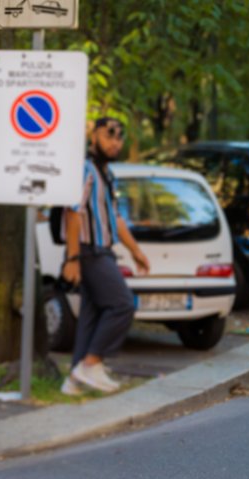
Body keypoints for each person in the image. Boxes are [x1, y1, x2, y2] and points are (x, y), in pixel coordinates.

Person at [60, 117, 150, 395]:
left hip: (102, 251)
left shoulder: (105, 173)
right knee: (122, 305)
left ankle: (74, 381)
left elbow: (115, 218)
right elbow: (73, 212)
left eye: (119, 136)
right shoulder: (85, 170)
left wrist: (136, 252)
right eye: (109, 134)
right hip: (89, 253)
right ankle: (92, 363)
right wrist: (72, 258)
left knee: (92, 312)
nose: (115, 141)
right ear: (94, 136)